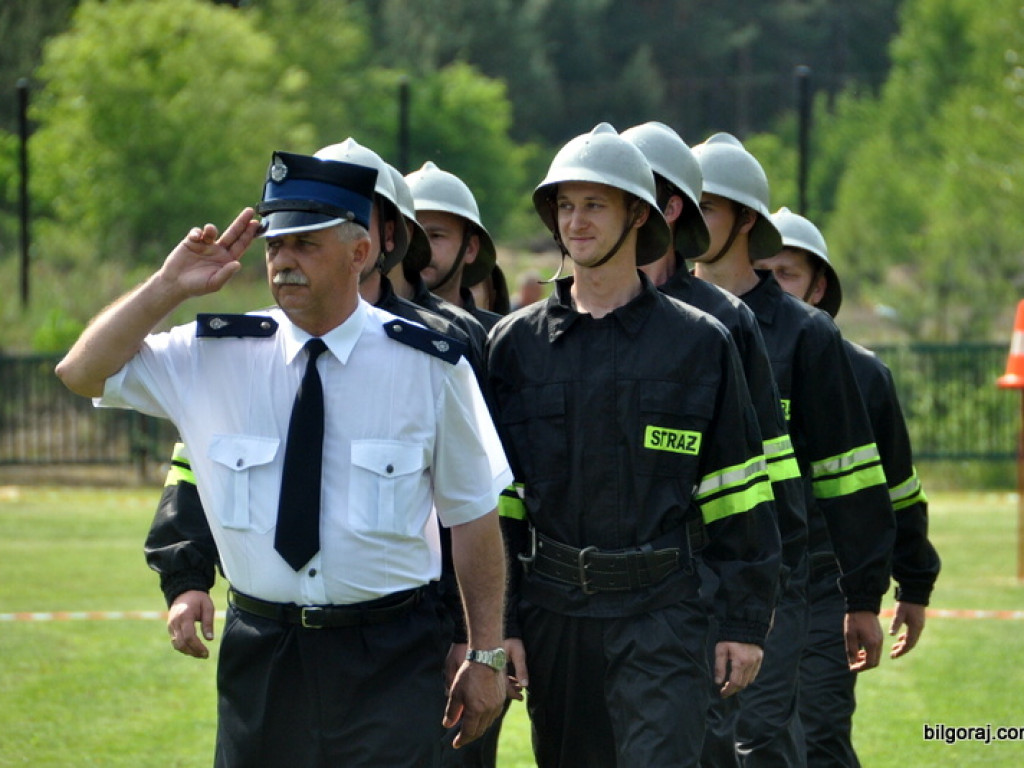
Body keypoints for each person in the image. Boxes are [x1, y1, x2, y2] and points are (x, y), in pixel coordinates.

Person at [56, 150, 511, 767]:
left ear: (360, 254)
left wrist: (485, 653)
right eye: (275, 245)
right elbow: (81, 372)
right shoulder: (212, 355)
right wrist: (167, 287)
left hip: (391, 655)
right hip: (263, 654)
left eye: (305, 245)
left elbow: (474, 518)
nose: (284, 261)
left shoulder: (430, 367)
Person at [487, 123, 781, 767]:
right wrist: (503, 624)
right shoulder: (514, 347)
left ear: (638, 216)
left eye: (595, 204)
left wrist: (742, 622)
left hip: (664, 615)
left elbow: (739, 493)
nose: (576, 222)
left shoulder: (701, 342)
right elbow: (498, 505)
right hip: (553, 616)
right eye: (565, 205)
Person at [690, 132, 896, 767]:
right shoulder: (660, 322)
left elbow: (850, 474)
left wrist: (863, 595)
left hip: (781, 589)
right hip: (675, 587)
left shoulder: (807, 335)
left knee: (758, 745)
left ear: (747, 219)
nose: (684, 221)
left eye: (706, 208)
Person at [756, 207, 941, 767]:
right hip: (733, 582)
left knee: (819, 735)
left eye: (787, 273)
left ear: (818, 286)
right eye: (762, 270)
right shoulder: (708, 354)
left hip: (823, 585)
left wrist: (914, 581)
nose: (771, 285)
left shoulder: (863, 375)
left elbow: (896, 489)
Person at [405, 161, 502, 331]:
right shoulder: (375, 324)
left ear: (470, 248)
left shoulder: (497, 336)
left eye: (436, 236)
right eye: (412, 235)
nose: (421, 247)